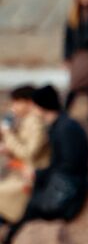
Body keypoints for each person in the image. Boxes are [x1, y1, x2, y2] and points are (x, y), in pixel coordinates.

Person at [2, 85, 88, 244]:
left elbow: (68, 167)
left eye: (34, 105)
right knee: (29, 205)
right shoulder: (62, 125)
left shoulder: (65, 129)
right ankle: (8, 239)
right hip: (64, 182)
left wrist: (38, 174)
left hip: (68, 191)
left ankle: (9, 242)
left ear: (41, 107)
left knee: (32, 207)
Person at [0, 86, 50, 225]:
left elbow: (28, 153)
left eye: (16, 102)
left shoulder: (36, 122)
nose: (13, 107)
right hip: (22, 174)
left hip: (31, 179)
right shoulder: (27, 120)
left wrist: (8, 134)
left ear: (28, 102)